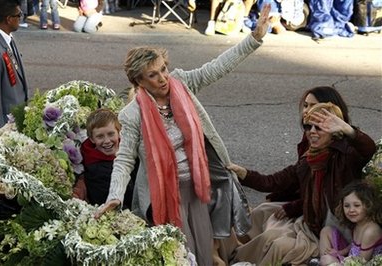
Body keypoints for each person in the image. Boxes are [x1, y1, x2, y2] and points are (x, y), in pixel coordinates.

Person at [94, 5, 271, 265]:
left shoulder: (182, 84)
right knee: (179, 254)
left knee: (203, 252)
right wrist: (114, 197)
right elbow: (124, 161)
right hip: (164, 194)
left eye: (163, 69)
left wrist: (253, 39)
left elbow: (216, 68)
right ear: (138, 82)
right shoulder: (132, 114)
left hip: (197, 188)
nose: (163, 78)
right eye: (153, 75)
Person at [228, 102, 376, 265]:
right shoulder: (307, 161)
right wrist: (242, 173)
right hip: (315, 227)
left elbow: (369, 149)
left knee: (278, 245)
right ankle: (231, 257)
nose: (312, 132)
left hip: (342, 234)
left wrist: (349, 130)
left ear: (335, 131)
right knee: (263, 223)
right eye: (307, 127)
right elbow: (272, 182)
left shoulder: (346, 156)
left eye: (319, 127)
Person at [245, 86, 352, 242]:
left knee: (274, 239)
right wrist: (242, 174)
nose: (306, 111)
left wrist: (294, 207)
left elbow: (326, 197)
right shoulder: (310, 145)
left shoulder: (343, 153)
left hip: (322, 220)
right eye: (305, 105)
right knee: (260, 212)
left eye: (312, 106)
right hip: (306, 206)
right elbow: (287, 179)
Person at [72, 108, 136, 209]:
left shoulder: (130, 149)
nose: (107, 141)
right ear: (92, 139)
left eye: (111, 134)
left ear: (119, 132)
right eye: (100, 136)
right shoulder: (97, 171)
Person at [0, 0, 29, 131]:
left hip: (15, 123)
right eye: (18, 15)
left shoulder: (6, 37)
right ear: (9, 19)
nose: (21, 18)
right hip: (5, 128)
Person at [319, 181, 382, 265]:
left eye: (356, 205)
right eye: (347, 206)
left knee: (326, 260)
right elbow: (353, 245)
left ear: (368, 205)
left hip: (359, 263)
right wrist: (340, 253)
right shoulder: (358, 224)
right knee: (326, 231)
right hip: (351, 258)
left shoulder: (370, 231)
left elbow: (361, 262)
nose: (351, 210)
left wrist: (337, 261)